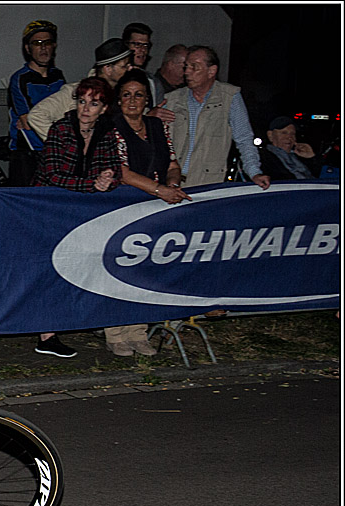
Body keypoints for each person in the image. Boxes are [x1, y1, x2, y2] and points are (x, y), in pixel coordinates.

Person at [33, 77, 122, 358]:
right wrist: (92, 184)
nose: (85, 109)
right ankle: (46, 335)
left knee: (82, 267)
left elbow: (116, 169)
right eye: (82, 101)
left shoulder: (107, 132)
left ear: (104, 108)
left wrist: (108, 177)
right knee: (49, 269)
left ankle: (77, 320)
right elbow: (52, 175)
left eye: (93, 104)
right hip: (49, 209)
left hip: (82, 211)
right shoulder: (61, 128)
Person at [107, 70, 191, 356]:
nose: (132, 100)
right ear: (119, 99)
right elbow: (122, 171)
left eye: (139, 95)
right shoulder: (112, 127)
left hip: (153, 208)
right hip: (121, 205)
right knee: (118, 268)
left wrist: (173, 185)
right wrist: (159, 190)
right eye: (126, 95)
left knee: (144, 269)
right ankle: (115, 332)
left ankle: (138, 331)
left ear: (147, 100)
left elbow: (172, 164)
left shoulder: (157, 126)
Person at [162, 46, 270, 190]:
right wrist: (151, 116)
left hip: (207, 184)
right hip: (172, 183)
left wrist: (254, 172)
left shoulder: (230, 97)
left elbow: (244, 139)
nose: (187, 72)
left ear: (211, 71)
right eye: (186, 66)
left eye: (194, 67)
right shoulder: (172, 99)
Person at [27, 38, 133, 143]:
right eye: (125, 66)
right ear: (108, 69)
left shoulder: (124, 92)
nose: (130, 68)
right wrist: (64, 143)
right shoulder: (76, 91)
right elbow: (36, 116)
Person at [6, 20, 66, 186]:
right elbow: (28, 121)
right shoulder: (20, 79)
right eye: (37, 43)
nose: (43, 48)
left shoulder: (58, 76)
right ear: (28, 48)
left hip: (55, 151)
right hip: (27, 152)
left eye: (47, 43)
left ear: (54, 46)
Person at [259, 115, 323, 180]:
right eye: (284, 133)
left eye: (292, 134)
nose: (289, 137)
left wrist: (311, 157)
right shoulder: (262, 158)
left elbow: (320, 175)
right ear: (270, 135)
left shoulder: (299, 156)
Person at [121, 22, 165, 110]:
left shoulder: (153, 82)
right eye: (137, 45)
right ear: (126, 46)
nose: (142, 50)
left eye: (146, 45)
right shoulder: (114, 77)